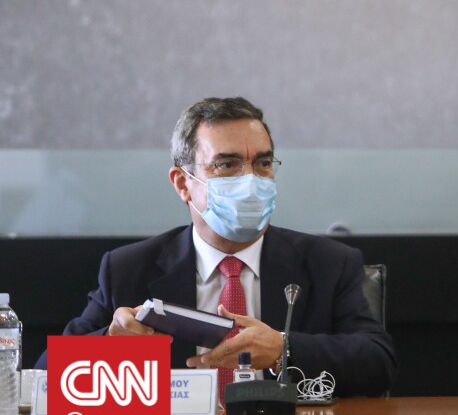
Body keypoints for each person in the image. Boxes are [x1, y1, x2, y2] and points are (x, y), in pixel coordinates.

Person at [38, 97, 396, 398]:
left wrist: (282, 349)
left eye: (263, 163)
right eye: (227, 164)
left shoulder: (328, 263)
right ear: (183, 184)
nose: (250, 180)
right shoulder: (129, 269)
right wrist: (109, 343)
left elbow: (378, 363)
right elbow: (43, 378)